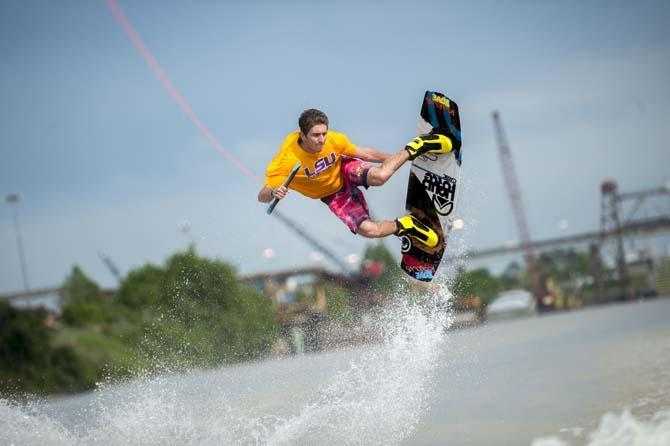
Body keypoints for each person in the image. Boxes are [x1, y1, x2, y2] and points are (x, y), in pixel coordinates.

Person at [258, 109, 454, 247]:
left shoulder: (334, 139)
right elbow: (263, 196)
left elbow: (364, 153)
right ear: (302, 134)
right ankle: (407, 226)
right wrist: (275, 191)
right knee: (369, 231)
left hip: (344, 168)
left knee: (381, 176)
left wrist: (395, 157)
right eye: (316, 135)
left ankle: (419, 146)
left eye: (324, 133)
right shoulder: (287, 159)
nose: (322, 139)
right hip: (333, 195)